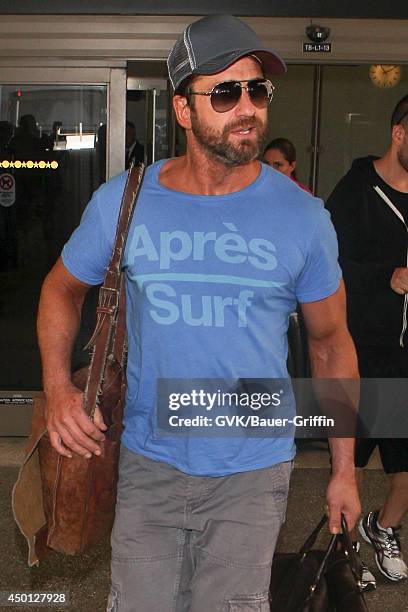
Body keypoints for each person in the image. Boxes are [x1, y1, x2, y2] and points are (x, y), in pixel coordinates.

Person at [37, 15, 360, 612]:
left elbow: (332, 344)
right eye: (226, 92)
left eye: (257, 90)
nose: (249, 108)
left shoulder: (302, 217)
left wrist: (344, 470)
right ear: (183, 110)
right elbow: (60, 289)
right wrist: (57, 387)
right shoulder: (124, 202)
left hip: (253, 472)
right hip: (149, 463)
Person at [326, 95, 408, 589]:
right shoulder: (356, 189)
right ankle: (345, 550)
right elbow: (328, 269)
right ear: (399, 132)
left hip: (405, 356)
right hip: (361, 352)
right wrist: (387, 277)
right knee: (347, 463)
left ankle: (385, 528)